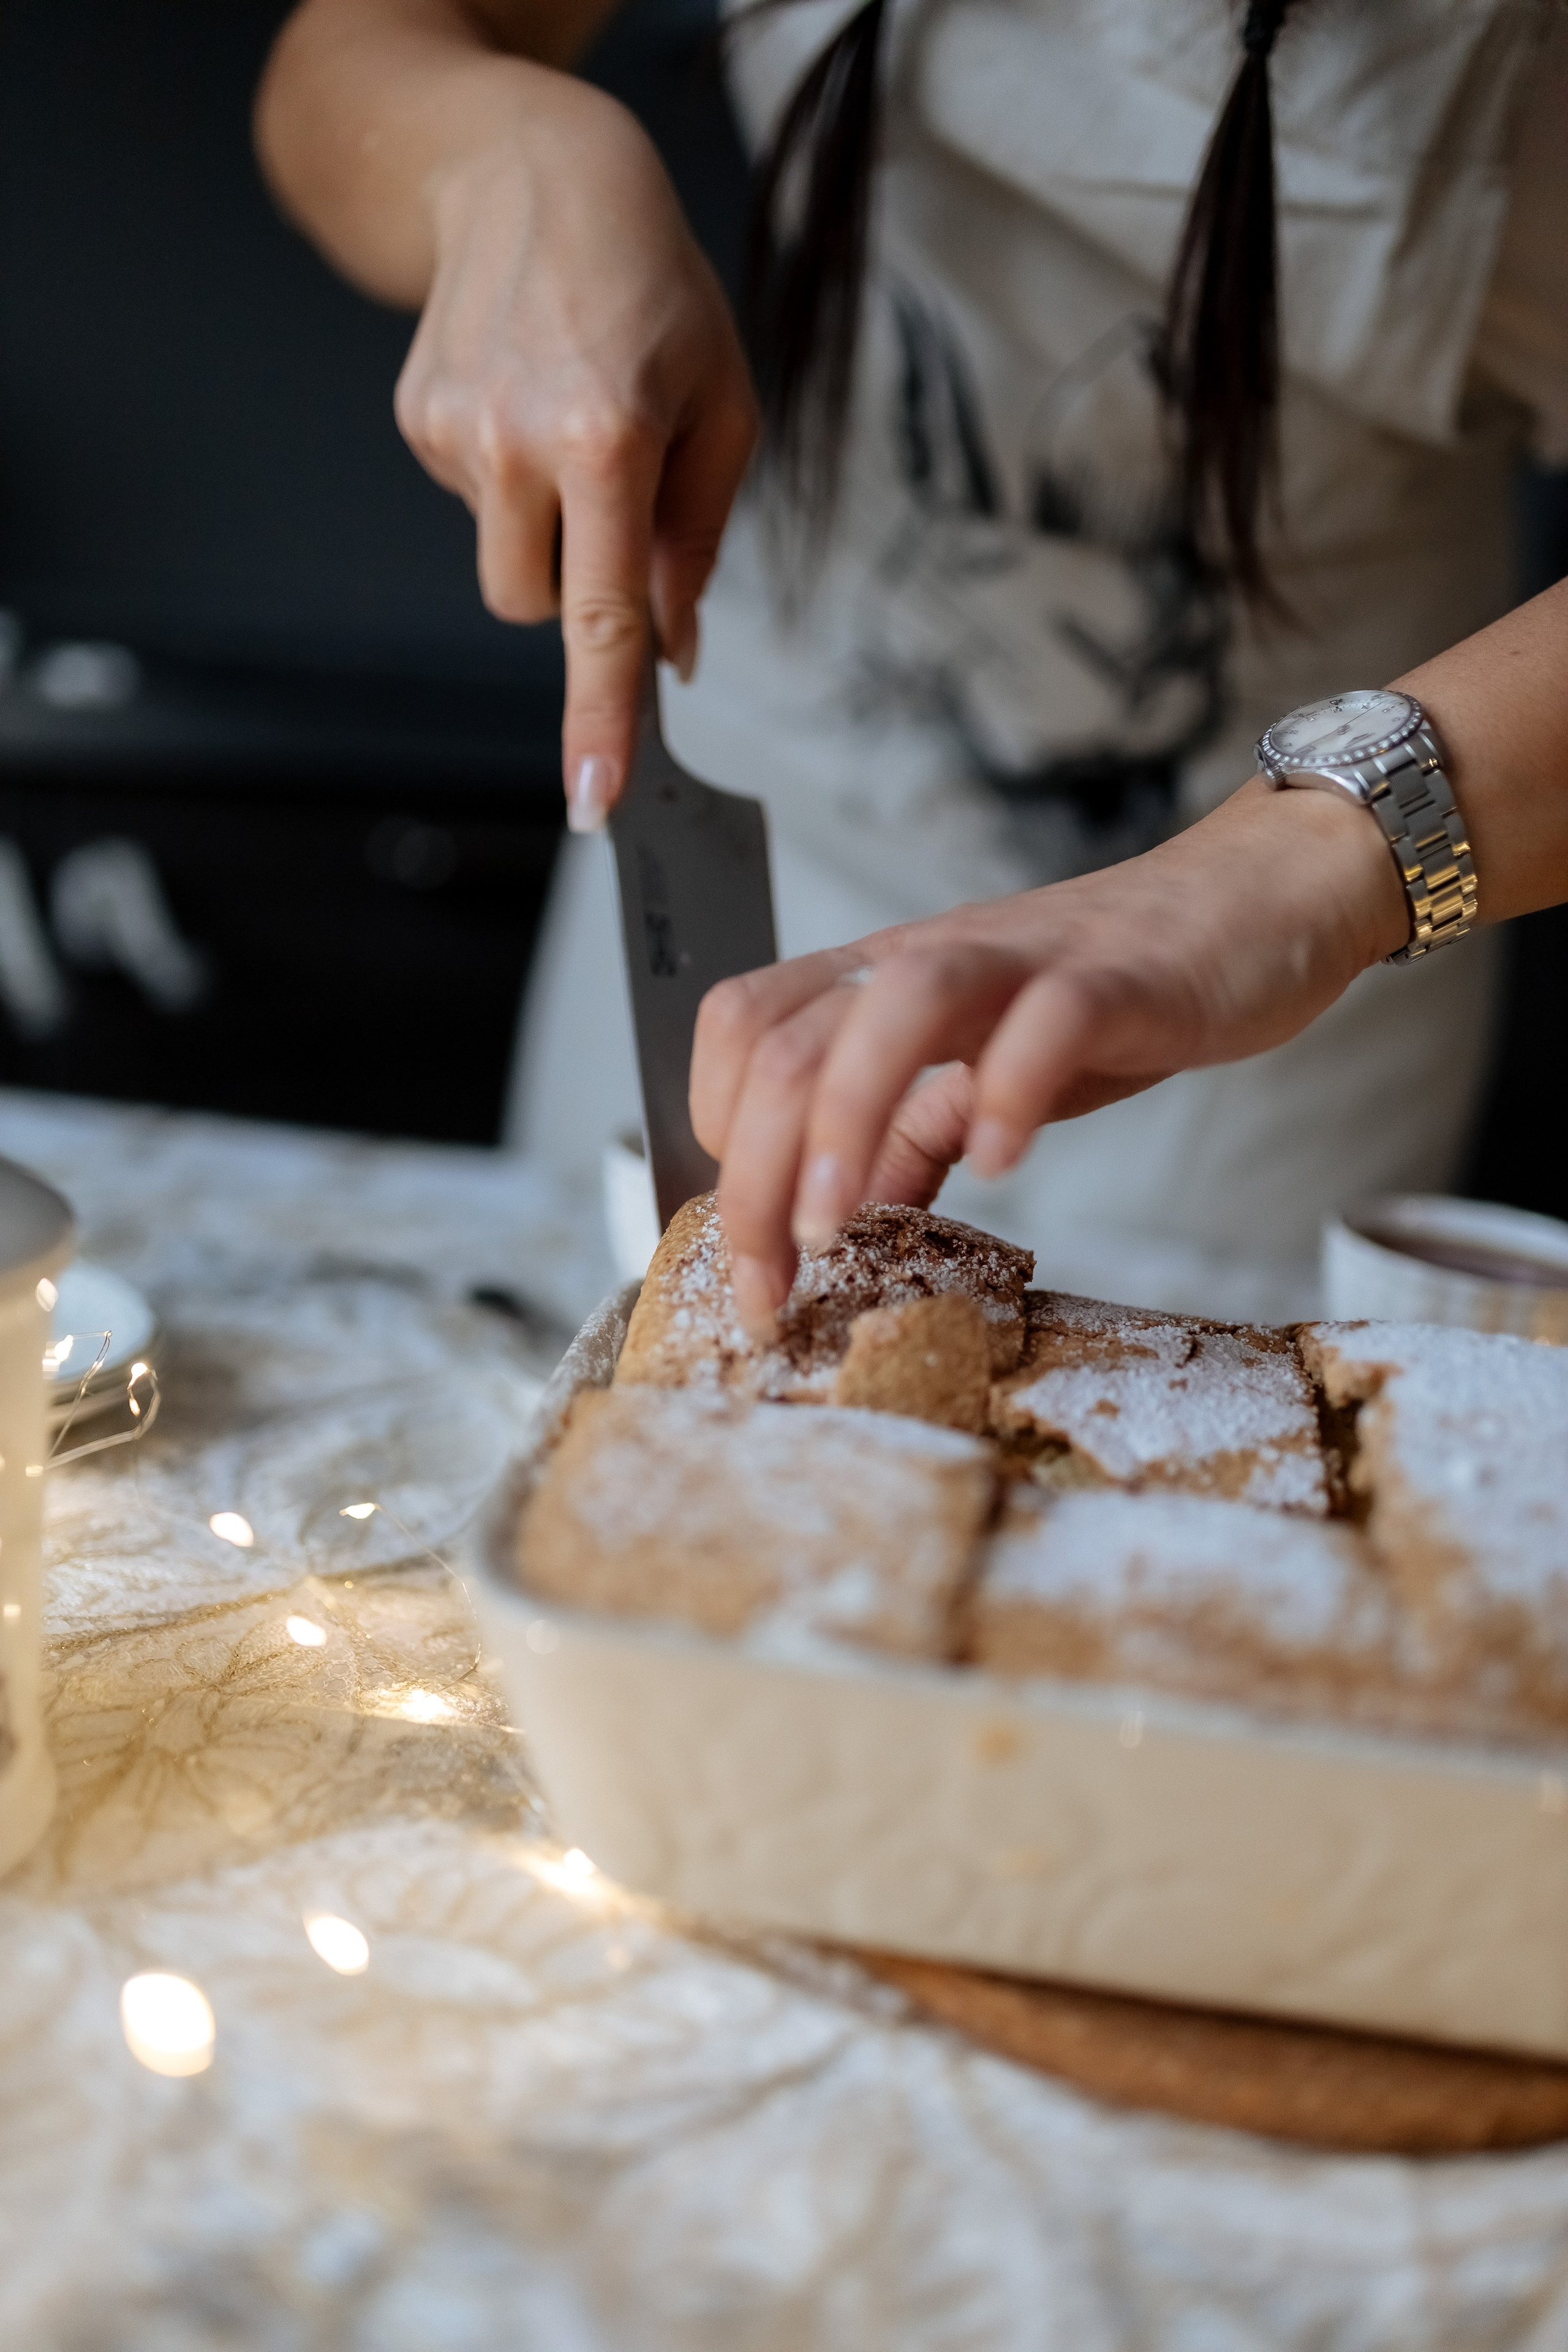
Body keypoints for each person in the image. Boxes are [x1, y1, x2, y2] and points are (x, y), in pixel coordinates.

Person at [256, 0, 1568, 1332]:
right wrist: (493, 154)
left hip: (1289, 949)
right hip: (755, 857)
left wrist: (1316, 859)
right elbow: (348, 60)